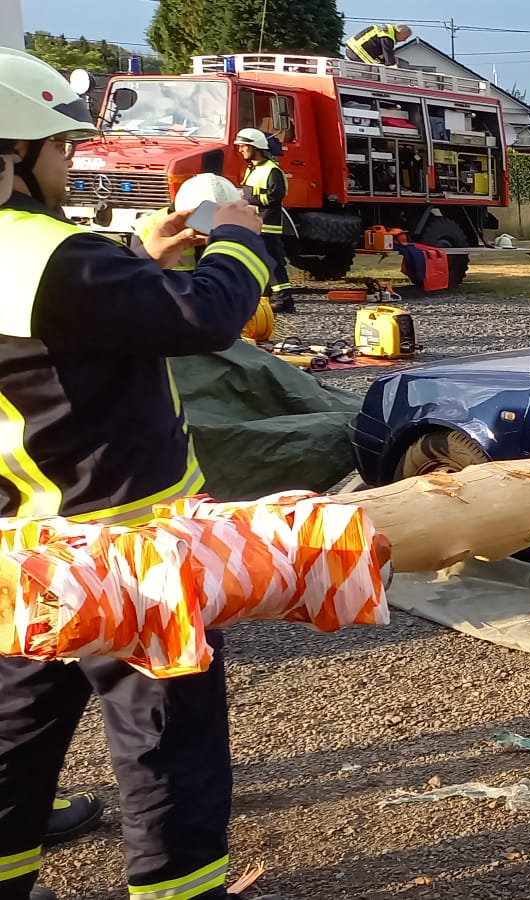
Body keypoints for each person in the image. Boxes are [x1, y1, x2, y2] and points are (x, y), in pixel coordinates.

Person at [0, 46, 272, 900]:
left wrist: (138, 262)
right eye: (59, 147)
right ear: (13, 153)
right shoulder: (50, 256)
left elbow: (58, 336)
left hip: (27, 546)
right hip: (125, 551)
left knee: (15, 730)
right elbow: (206, 316)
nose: (68, 162)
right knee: (167, 743)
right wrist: (239, 240)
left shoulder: (45, 262)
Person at [235, 128, 293, 312]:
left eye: (244, 146)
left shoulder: (272, 170)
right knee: (259, 262)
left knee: (272, 262)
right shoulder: (252, 169)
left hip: (267, 225)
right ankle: (266, 297)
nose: (240, 150)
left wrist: (249, 198)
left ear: (256, 147)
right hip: (253, 224)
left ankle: (284, 300)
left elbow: (275, 196)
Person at [344, 23, 413, 67]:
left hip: (352, 49)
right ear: (400, 32)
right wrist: (394, 69)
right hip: (358, 52)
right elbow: (388, 56)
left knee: (379, 66)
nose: (404, 40)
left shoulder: (385, 31)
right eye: (405, 37)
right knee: (377, 71)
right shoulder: (387, 36)